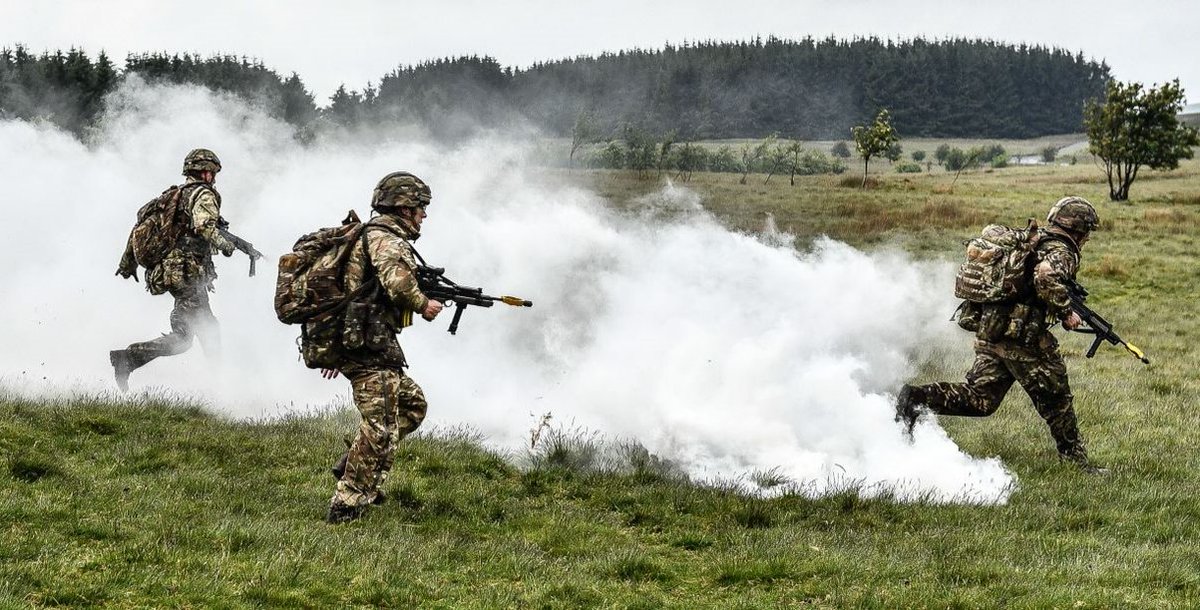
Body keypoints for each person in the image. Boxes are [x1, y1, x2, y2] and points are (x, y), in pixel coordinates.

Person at [896, 196, 1107, 474]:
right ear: (1079, 229)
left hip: (992, 330)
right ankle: (1076, 464)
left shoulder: (1033, 241)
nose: (1087, 238)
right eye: (1087, 232)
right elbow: (1045, 277)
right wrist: (1066, 312)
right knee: (1056, 399)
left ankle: (916, 398)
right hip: (1022, 338)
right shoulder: (1061, 251)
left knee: (980, 400)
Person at [321, 171, 443, 524]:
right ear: (404, 207)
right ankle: (347, 504)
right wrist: (423, 304)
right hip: (367, 346)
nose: (424, 215)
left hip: (370, 342)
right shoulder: (385, 238)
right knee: (380, 426)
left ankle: (353, 464)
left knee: (412, 405)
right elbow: (396, 280)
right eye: (421, 207)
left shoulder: (375, 234)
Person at [111, 148, 236, 391]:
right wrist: (226, 245)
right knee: (198, 332)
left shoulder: (172, 197)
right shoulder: (203, 195)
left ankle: (220, 383)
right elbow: (203, 226)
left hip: (172, 271)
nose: (214, 177)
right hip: (187, 272)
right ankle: (222, 386)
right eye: (212, 172)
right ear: (204, 172)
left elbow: (139, 230)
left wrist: (127, 264)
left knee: (196, 330)